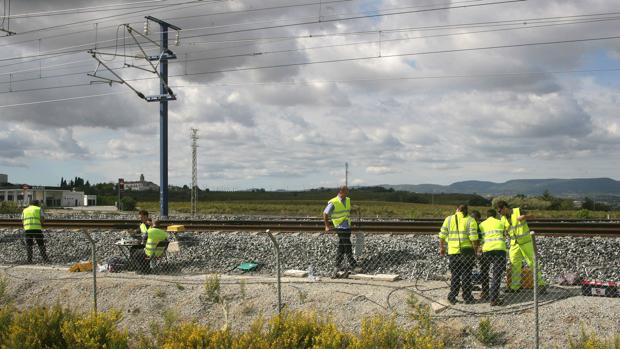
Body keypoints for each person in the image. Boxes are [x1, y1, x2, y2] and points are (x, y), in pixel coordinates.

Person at [495, 200, 545, 293]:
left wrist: (525, 216)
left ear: (505, 208)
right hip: (514, 244)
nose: (499, 213)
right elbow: (507, 230)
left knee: (532, 263)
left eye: (499, 211)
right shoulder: (502, 218)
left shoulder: (518, 211)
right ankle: (515, 287)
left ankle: (541, 285)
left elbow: (533, 216)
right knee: (515, 265)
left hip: (526, 242)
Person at [438, 204, 479, 304]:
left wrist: (442, 247)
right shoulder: (470, 220)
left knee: (455, 274)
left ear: (457, 210)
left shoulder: (448, 219)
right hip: (467, 252)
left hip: (453, 252)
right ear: (466, 211)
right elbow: (474, 238)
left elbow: (442, 235)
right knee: (466, 275)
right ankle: (467, 297)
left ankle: (452, 296)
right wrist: (475, 251)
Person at [323, 185, 358, 276]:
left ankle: (337, 264)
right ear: (341, 191)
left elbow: (346, 211)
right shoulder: (333, 202)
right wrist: (327, 226)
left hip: (347, 226)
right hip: (339, 227)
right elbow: (325, 213)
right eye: (346, 191)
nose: (347, 193)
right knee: (347, 245)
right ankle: (353, 265)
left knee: (341, 246)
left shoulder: (348, 200)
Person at [478, 209, 507, 305]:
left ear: (487, 216)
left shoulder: (482, 224)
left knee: (484, 271)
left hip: (487, 250)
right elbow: (505, 234)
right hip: (499, 250)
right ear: (495, 216)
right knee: (496, 274)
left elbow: (480, 238)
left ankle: (485, 292)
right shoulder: (500, 222)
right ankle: (494, 299)